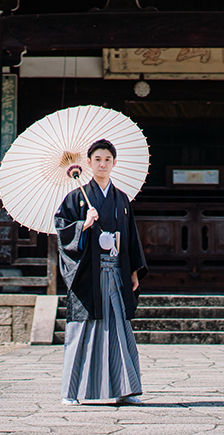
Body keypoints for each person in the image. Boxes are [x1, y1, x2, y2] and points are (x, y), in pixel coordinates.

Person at [54, 138, 148, 405]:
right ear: (89, 163)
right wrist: (84, 224)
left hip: (116, 272)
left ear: (114, 163)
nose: (103, 164)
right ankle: (72, 391)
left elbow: (131, 239)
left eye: (107, 159)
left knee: (119, 330)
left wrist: (133, 274)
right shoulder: (75, 198)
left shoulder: (122, 200)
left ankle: (125, 389)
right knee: (83, 330)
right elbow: (62, 232)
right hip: (89, 275)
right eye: (97, 160)